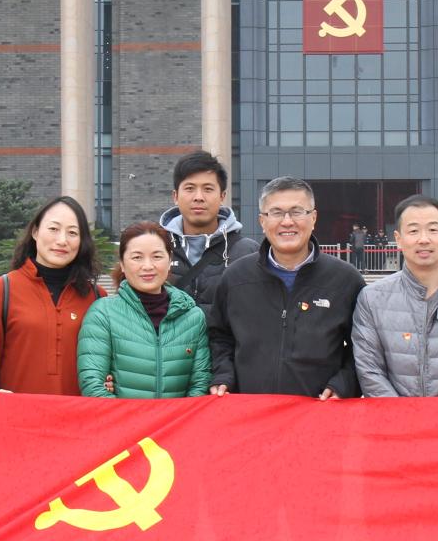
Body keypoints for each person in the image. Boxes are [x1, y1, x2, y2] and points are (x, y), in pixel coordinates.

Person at [206, 176, 364, 398]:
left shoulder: (345, 280)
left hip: (321, 409)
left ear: (313, 218)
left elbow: (364, 348)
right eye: (276, 213)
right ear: (262, 221)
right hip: (250, 409)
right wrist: (224, 376)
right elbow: (219, 337)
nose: (287, 222)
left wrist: (343, 384)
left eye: (297, 212)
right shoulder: (235, 277)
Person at [350, 194, 438, 397]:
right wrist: (404, 415)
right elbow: (370, 371)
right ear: (398, 239)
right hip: (392, 416)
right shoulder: (371, 299)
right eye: (413, 231)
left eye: (433, 230)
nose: (424, 239)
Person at [0, 195, 103, 396]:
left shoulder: (97, 298)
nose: (62, 240)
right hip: (18, 413)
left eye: (72, 232)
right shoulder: (1, 290)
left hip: (78, 413)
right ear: (35, 232)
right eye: (53, 229)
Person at [79, 221, 212, 399]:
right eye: (137, 257)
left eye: (157, 256)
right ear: (122, 264)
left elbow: (200, 383)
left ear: (169, 260)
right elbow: (92, 384)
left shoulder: (192, 317)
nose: (148, 266)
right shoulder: (103, 313)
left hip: (178, 417)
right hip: (121, 417)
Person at [160, 150, 259, 310]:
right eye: (190, 188)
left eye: (208, 189)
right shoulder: (157, 247)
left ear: (222, 196)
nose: (198, 197)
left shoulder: (246, 251)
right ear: (175, 196)